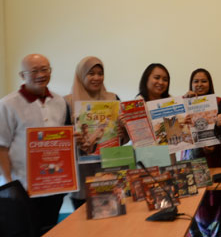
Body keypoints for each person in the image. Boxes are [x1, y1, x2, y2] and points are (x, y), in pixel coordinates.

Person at [0, 54, 68, 235]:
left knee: (50, 229)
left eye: (45, 69)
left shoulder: (60, 101)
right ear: (22, 75)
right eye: (34, 71)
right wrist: (10, 186)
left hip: (54, 185)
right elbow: (1, 147)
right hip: (23, 189)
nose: (41, 74)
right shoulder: (7, 104)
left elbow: (59, 138)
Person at [64, 56, 128, 209]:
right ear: (81, 75)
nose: (97, 77)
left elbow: (122, 140)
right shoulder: (67, 102)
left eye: (100, 73)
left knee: (113, 220)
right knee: (84, 226)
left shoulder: (113, 99)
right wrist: (74, 139)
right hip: (82, 176)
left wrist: (122, 133)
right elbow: (62, 141)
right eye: (91, 73)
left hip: (110, 172)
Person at [182, 68, 221, 167]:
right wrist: (185, 101)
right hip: (192, 157)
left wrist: (214, 146)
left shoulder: (219, 102)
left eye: (204, 81)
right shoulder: (183, 102)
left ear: (210, 84)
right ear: (191, 84)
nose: (199, 84)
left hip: (216, 157)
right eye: (196, 81)